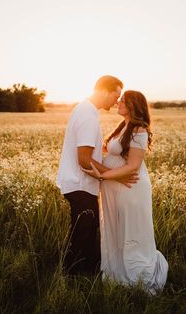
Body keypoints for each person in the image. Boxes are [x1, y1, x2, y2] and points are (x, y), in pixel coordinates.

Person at [83, 90, 168, 294]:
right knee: (116, 227)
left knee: (131, 228)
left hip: (130, 187)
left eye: (123, 100)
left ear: (133, 105)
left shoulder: (139, 129)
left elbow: (133, 166)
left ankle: (139, 275)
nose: (118, 102)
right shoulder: (123, 126)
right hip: (114, 187)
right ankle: (117, 271)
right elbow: (111, 154)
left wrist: (102, 176)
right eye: (119, 99)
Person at [56, 76, 138, 276]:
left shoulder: (85, 109)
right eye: (115, 95)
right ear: (103, 91)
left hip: (78, 183)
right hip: (80, 184)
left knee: (84, 231)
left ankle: (79, 273)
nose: (116, 101)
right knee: (84, 233)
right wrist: (115, 175)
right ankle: (75, 277)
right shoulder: (88, 115)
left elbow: (89, 152)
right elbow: (84, 159)